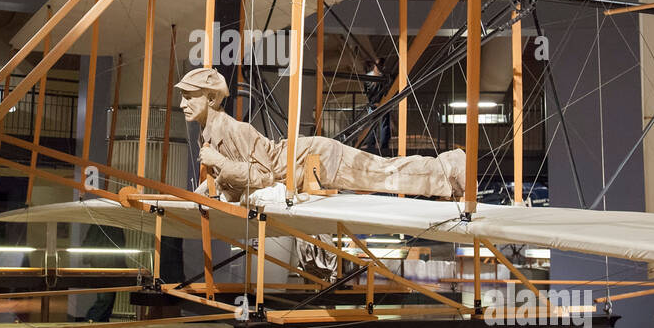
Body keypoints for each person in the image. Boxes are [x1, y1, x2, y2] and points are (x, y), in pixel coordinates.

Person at [177, 67, 466, 203]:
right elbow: (236, 182)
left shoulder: (234, 130)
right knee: (384, 174)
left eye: (190, 97)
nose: (182, 104)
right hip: (304, 167)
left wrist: (220, 164)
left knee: (384, 173)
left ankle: (450, 169)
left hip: (320, 158)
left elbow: (263, 177)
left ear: (212, 99)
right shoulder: (211, 137)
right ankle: (447, 179)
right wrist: (198, 196)